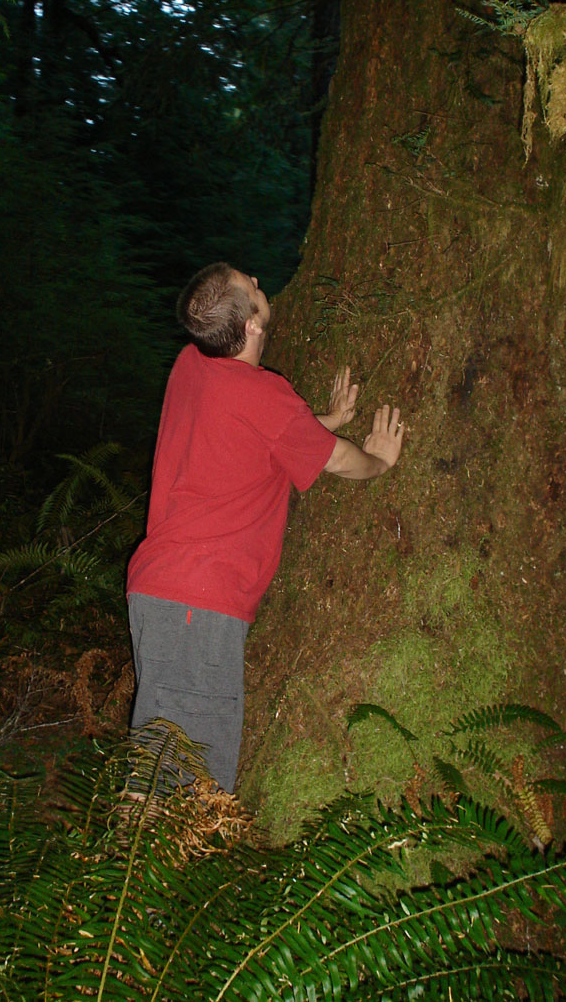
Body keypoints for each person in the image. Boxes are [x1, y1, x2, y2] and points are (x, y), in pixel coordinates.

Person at [126, 262, 404, 792]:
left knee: (159, 766)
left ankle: (146, 846)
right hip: (197, 605)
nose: (256, 280)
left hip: (161, 592)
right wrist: (380, 462)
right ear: (252, 324)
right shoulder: (263, 397)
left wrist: (321, 422)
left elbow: (255, 435)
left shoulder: (190, 364)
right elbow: (336, 460)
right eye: (249, 285)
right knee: (191, 783)